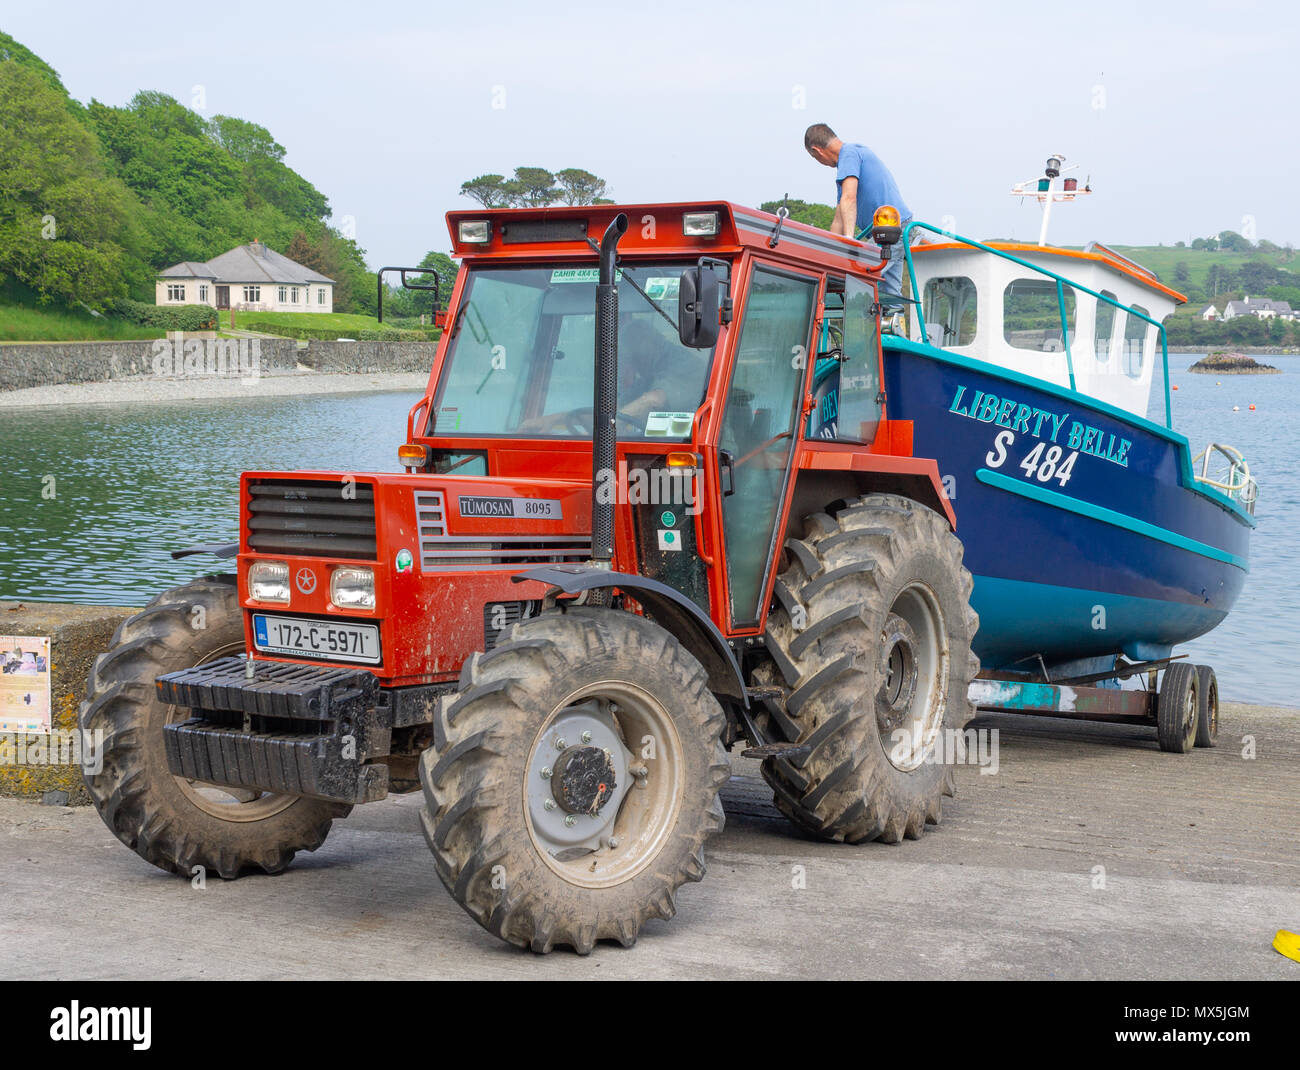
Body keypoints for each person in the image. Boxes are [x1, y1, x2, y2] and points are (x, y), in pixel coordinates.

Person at [804, 123, 912, 296]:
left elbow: (849, 198)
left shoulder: (849, 154)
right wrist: (829, 254)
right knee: (889, 292)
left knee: (858, 278)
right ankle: (894, 320)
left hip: (892, 230)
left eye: (817, 159)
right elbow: (839, 216)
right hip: (884, 233)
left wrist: (849, 243)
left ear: (818, 151)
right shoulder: (848, 162)